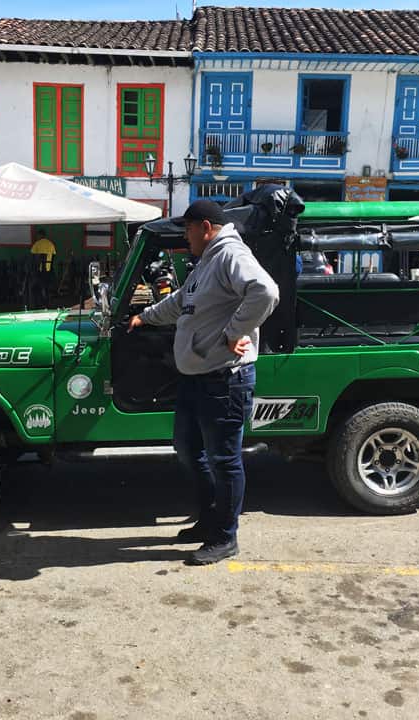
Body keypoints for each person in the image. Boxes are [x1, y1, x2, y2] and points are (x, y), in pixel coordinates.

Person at [128, 199, 279, 565]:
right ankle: (210, 519)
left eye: (187, 229)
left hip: (224, 378)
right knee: (187, 447)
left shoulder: (230, 255)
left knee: (225, 459)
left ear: (205, 227)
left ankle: (225, 537)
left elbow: (266, 291)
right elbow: (183, 301)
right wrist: (145, 318)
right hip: (198, 377)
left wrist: (234, 332)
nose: (185, 236)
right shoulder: (207, 262)